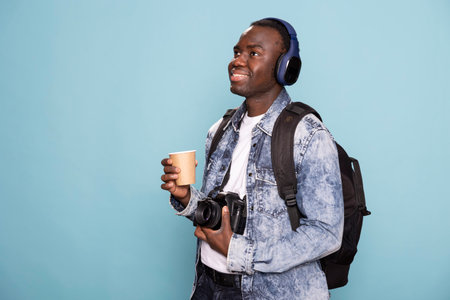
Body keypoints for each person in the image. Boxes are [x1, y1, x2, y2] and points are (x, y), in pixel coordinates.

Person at [160, 18, 344, 300]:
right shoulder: (220, 130)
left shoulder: (307, 135)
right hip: (209, 286)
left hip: (272, 293)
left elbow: (326, 233)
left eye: (253, 53)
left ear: (284, 66)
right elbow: (217, 217)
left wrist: (240, 252)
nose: (238, 61)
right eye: (236, 52)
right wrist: (187, 199)